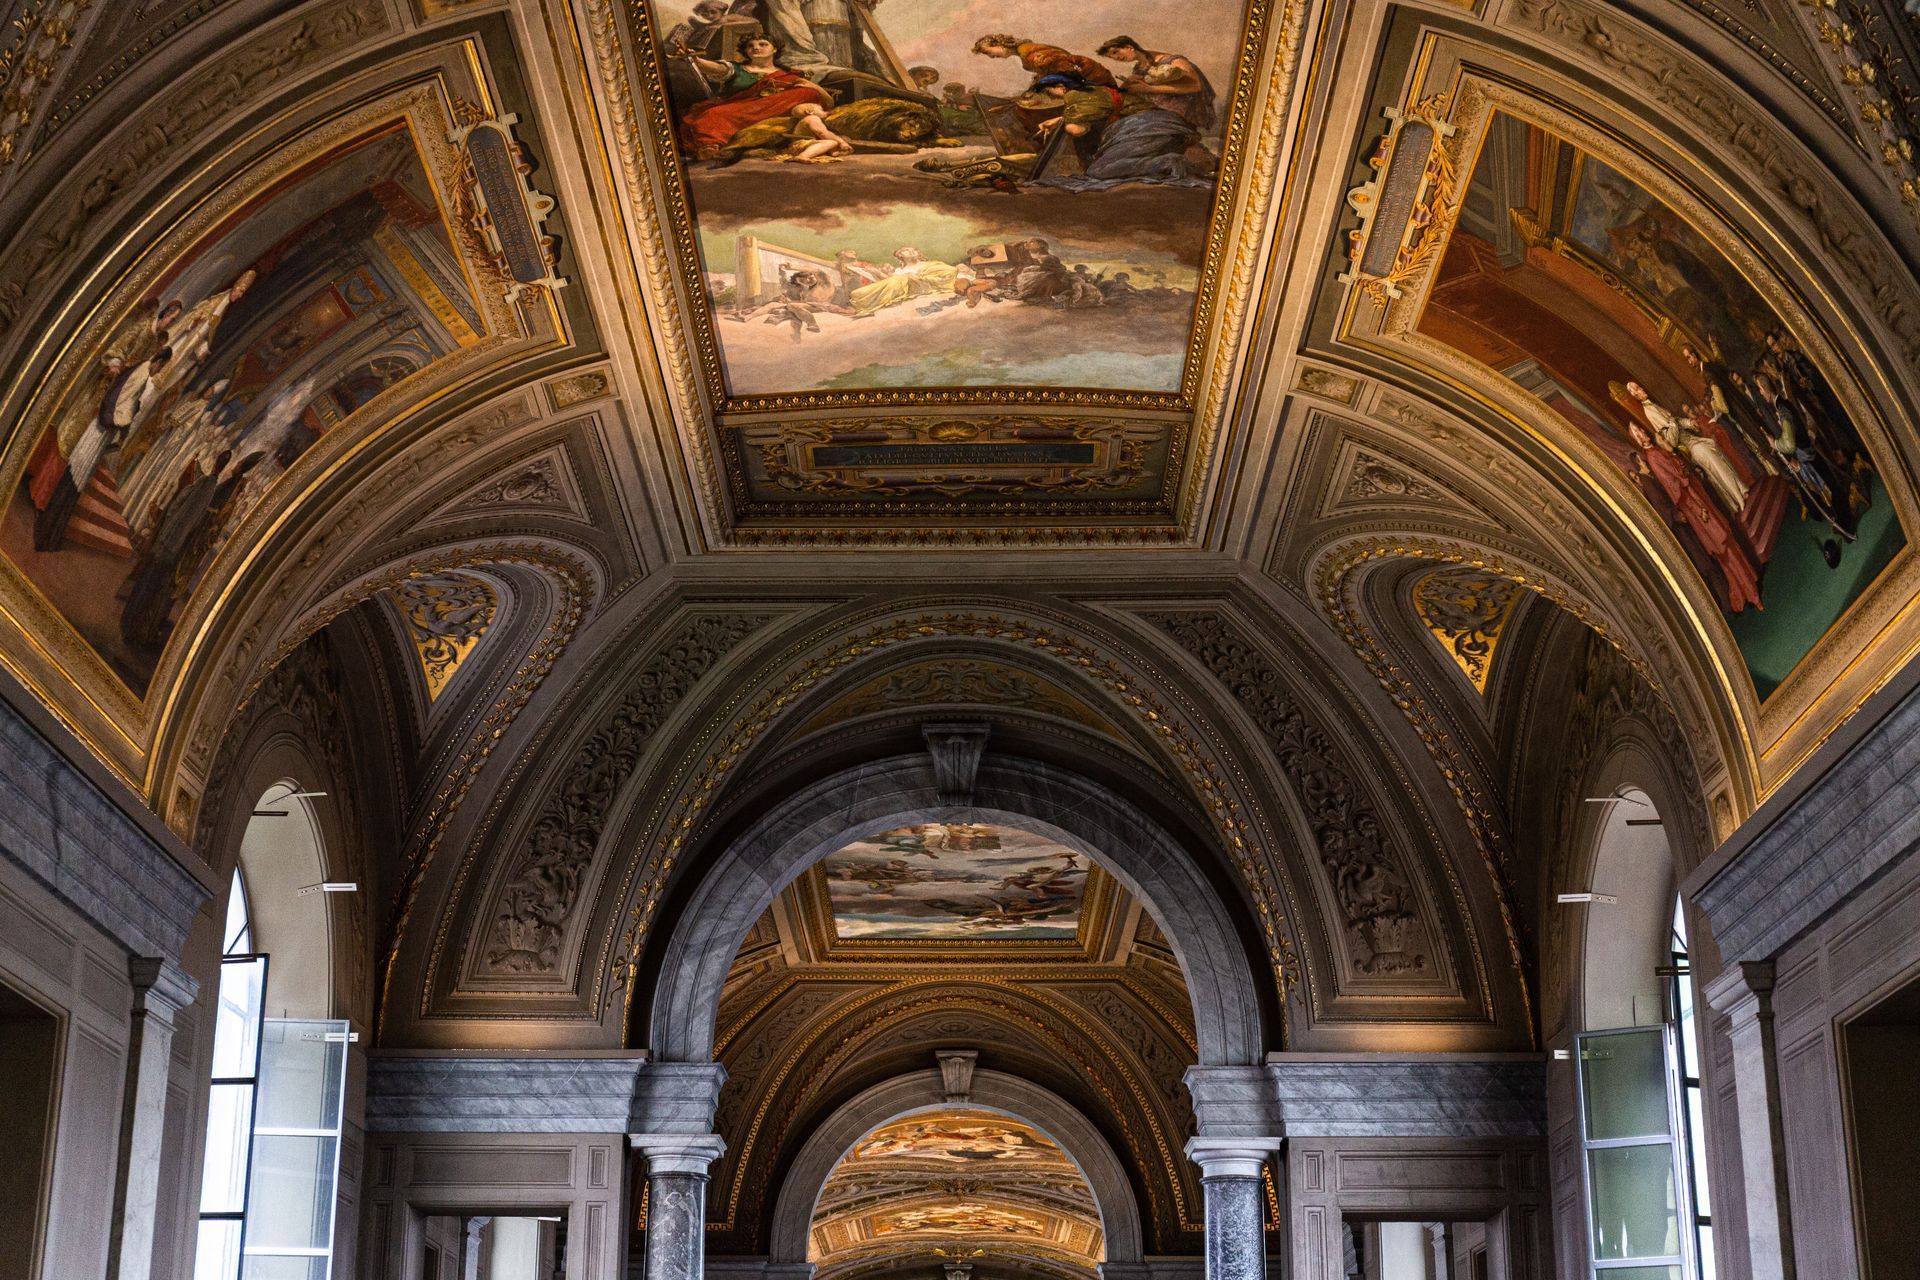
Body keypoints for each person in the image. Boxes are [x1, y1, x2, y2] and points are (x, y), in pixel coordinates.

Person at [34, 347, 174, 551]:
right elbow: (119, 398)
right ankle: (47, 533)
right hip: (103, 428)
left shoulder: (140, 370)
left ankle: (50, 531)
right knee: (76, 476)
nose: (159, 371)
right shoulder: (142, 373)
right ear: (158, 362)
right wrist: (123, 424)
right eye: (161, 367)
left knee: (77, 476)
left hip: (104, 427)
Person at [1627, 420, 1761, 612]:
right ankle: (1750, 594)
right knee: (1722, 546)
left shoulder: (1656, 450)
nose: (1642, 432)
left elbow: (1681, 468)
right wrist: (1699, 508)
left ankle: (1749, 586)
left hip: (1699, 497)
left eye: (1640, 428)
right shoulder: (1653, 458)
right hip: (1695, 506)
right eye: (1637, 432)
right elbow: (1678, 492)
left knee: (1728, 540)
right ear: (1637, 440)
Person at [1026, 73, 1212, 190]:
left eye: (1050, 93)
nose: (1051, 98)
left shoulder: (1074, 95)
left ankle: (1167, 161)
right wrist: (1060, 119)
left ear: (1061, 87)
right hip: (1164, 125)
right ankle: (1167, 160)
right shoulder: (1095, 90)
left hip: (1143, 129)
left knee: (1099, 171)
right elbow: (1099, 110)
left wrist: (1066, 123)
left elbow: (1076, 129)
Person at [673, 36, 834, 160]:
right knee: (712, 115)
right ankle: (710, 147)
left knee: (805, 93)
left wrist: (810, 86)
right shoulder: (736, 69)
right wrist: (694, 59)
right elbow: (713, 67)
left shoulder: (790, 75)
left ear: (775, 49)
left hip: (775, 110)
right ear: (745, 50)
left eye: (763, 44)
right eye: (751, 45)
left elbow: (826, 100)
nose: (756, 48)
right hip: (740, 110)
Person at [1095, 36, 1216, 129]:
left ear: (1129, 47)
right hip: (1153, 111)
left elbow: (1195, 86)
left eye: (1115, 52)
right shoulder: (1138, 67)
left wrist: (1148, 89)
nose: (1116, 58)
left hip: (1176, 113)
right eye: (1112, 57)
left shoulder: (1173, 60)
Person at [847, 246, 959, 315]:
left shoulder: (928, 265)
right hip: (900, 285)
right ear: (900, 255)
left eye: (913, 250)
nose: (911, 251)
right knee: (895, 281)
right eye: (906, 250)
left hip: (922, 286)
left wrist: (919, 277)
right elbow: (892, 281)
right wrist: (876, 273)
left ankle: (864, 301)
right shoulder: (899, 270)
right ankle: (862, 299)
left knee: (900, 280)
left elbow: (950, 271)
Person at [970, 35, 1115, 87]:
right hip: (1082, 74)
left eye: (989, 53)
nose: (991, 57)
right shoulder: (1025, 51)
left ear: (999, 45)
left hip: (1093, 77)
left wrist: (1045, 82)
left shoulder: (1030, 53)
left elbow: (1065, 67)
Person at [775, 102, 853, 160]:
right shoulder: (812, 118)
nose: (825, 112)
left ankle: (834, 152)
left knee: (834, 141)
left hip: (805, 144)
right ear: (809, 112)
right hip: (800, 145)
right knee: (831, 142)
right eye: (821, 110)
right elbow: (822, 133)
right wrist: (842, 142)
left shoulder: (808, 119)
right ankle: (803, 156)